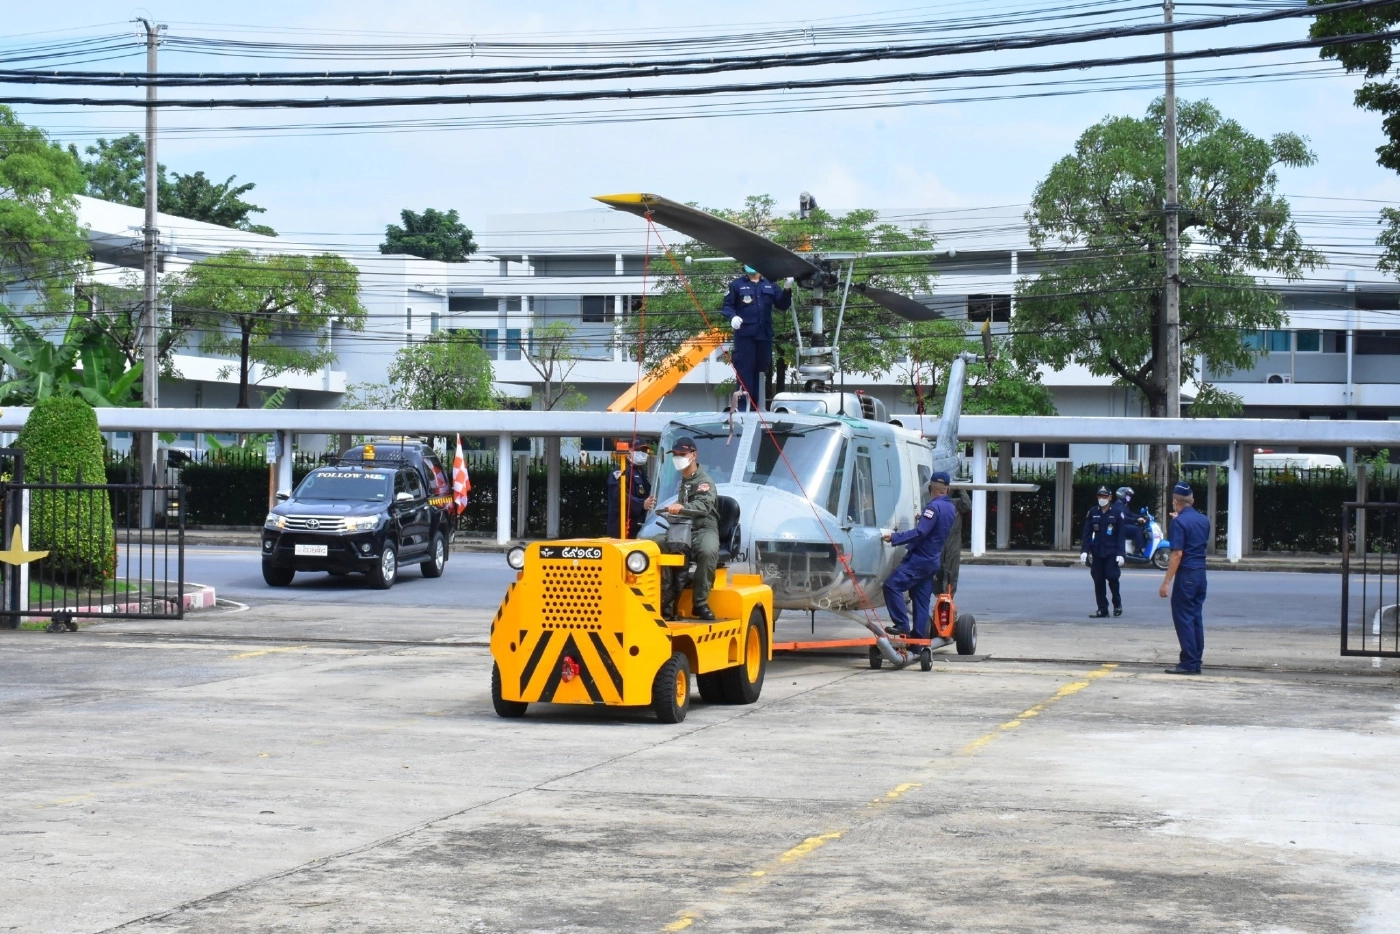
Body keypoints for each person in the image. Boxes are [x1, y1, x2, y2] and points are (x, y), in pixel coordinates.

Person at [643, 437, 720, 621]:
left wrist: (682, 507)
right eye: (675, 455)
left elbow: (703, 507)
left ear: (693, 455)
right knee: (656, 544)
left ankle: (700, 603)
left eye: (682, 454)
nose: (678, 457)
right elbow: (684, 503)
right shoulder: (683, 481)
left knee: (707, 551)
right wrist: (677, 506)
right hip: (683, 527)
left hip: (703, 527)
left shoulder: (704, 481)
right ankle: (664, 602)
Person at [881, 472, 957, 638]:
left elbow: (921, 532)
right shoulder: (950, 508)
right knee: (921, 601)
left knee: (892, 586)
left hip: (920, 560)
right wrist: (923, 517)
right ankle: (918, 642)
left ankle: (902, 625)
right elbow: (935, 527)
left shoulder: (932, 507)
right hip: (932, 562)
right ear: (947, 489)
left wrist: (895, 537)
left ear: (930, 488)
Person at [722, 265, 792, 410]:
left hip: (764, 335)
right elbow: (727, 306)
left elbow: (782, 304)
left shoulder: (770, 284)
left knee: (762, 370)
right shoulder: (737, 285)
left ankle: (757, 406)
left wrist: (786, 289)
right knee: (744, 370)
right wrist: (732, 317)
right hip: (745, 335)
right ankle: (743, 407)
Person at [1159, 480, 1211, 675]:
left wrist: (1166, 582)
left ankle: (1189, 662)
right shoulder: (1204, 520)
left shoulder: (1178, 522)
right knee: (1195, 617)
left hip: (1186, 574)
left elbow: (1177, 554)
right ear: (1192, 501)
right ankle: (1195, 659)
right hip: (1200, 574)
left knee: (1183, 618)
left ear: (1175, 501)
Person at [1080, 484, 1127, 617]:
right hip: (1097, 551)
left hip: (1112, 552)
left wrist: (1121, 553)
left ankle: (1117, 604)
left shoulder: (1117, 513)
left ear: (1110, 497)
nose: (1102, 498)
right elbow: (1087, 533)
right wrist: (1084, 550)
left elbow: (1121, 535)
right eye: (1100, 496)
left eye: (1104, 496)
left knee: (1112, 578)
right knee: (1098, 579)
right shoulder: (1093, 512)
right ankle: (1102, 608)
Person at [606, 444, 652, 538]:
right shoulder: (621, 470)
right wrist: (641, 504)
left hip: (638, 525)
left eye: (644, 451)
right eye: (638, 449)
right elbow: (618, 494)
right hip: (622, 527)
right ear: (629, 450)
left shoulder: (641, 472)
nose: (642, 453)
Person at [936, 488, 972, 597]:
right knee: (938, 567)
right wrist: (947, 491)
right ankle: (938, 593)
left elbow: (967, 505)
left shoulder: (956, 503)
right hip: (940, 537)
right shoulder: (938, 503)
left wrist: (961, 489)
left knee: (952, 567)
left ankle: (950, 594)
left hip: (954, 536)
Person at [1117, 485, 1149, 557]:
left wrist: (1141, 516)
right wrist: (1136, 520)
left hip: (1124, 525)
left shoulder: (1124, 505)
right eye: (1127, 495)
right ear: (1122, 495)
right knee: (1136, 529)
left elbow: (1130, 514)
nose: (1129, 497)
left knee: (1140, 528)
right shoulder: (1118, 505)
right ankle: (1137, 551)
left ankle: (1139, 548)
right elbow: (1124, 518)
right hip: (1121, 527)